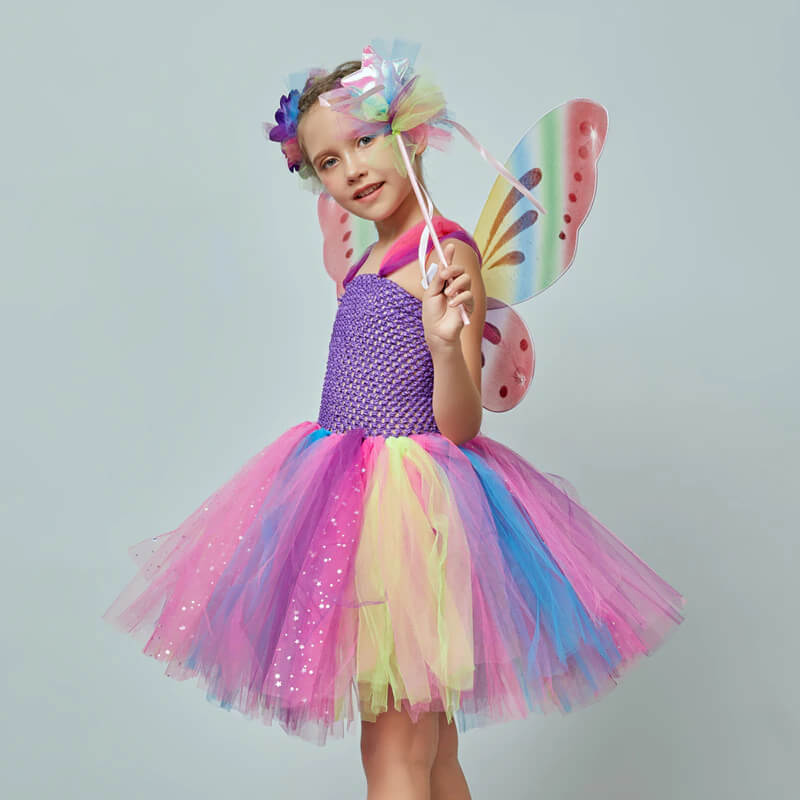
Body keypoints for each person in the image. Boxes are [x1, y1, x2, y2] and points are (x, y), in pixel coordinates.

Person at [103, 40, 686, 800]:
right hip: (348, 496)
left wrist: (446, 345)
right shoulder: (365, 263)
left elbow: (461, 426)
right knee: (430, 753)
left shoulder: (446, 255)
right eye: (329, 161)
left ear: (409, 132)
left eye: (364, 141)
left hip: (410, 512)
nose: (352, 170)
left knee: (393, 752)